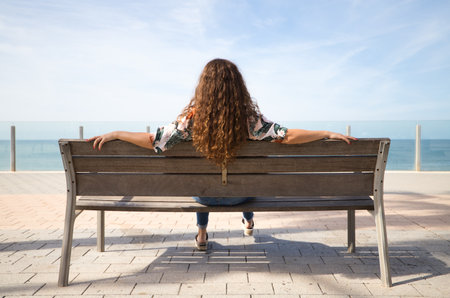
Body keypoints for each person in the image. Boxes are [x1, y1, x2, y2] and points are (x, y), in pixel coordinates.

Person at [88, 58, 356, 251]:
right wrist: (325, 133)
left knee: (204, 180)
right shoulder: (250, 119)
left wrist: (117, 134)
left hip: (204, 197)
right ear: (238, 86)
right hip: (241, 194)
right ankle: (248, 219)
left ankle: (202, 233)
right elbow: (286, 136)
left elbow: (154, 141)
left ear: (203, 87)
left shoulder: (190, 121)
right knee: (243, 179)